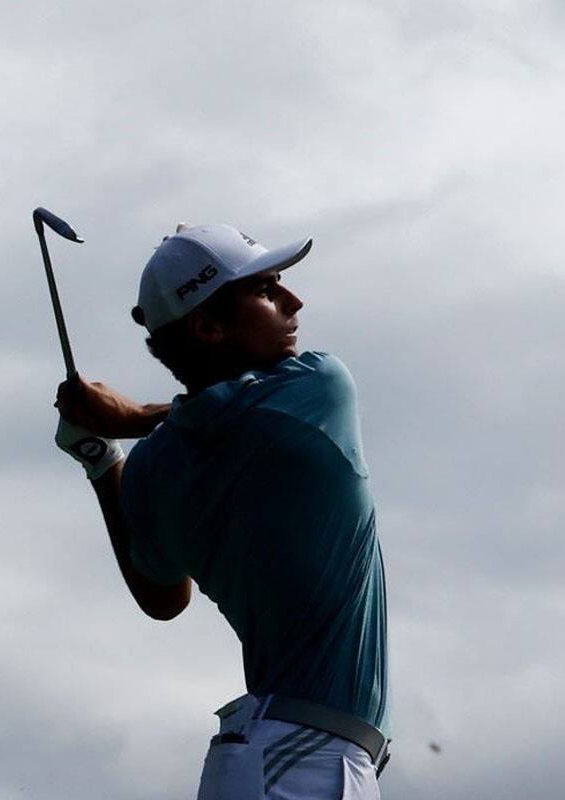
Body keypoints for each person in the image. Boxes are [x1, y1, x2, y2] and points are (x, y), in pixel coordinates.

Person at [52, 222, 390, 800]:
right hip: (298, 757)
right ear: (208, 326)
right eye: (265, 289)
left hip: (285, 754)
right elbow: (226, 415)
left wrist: (104, 459)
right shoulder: (320, 386)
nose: (293, 301)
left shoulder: (153, 470)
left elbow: (162, 596)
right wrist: (128, 424)